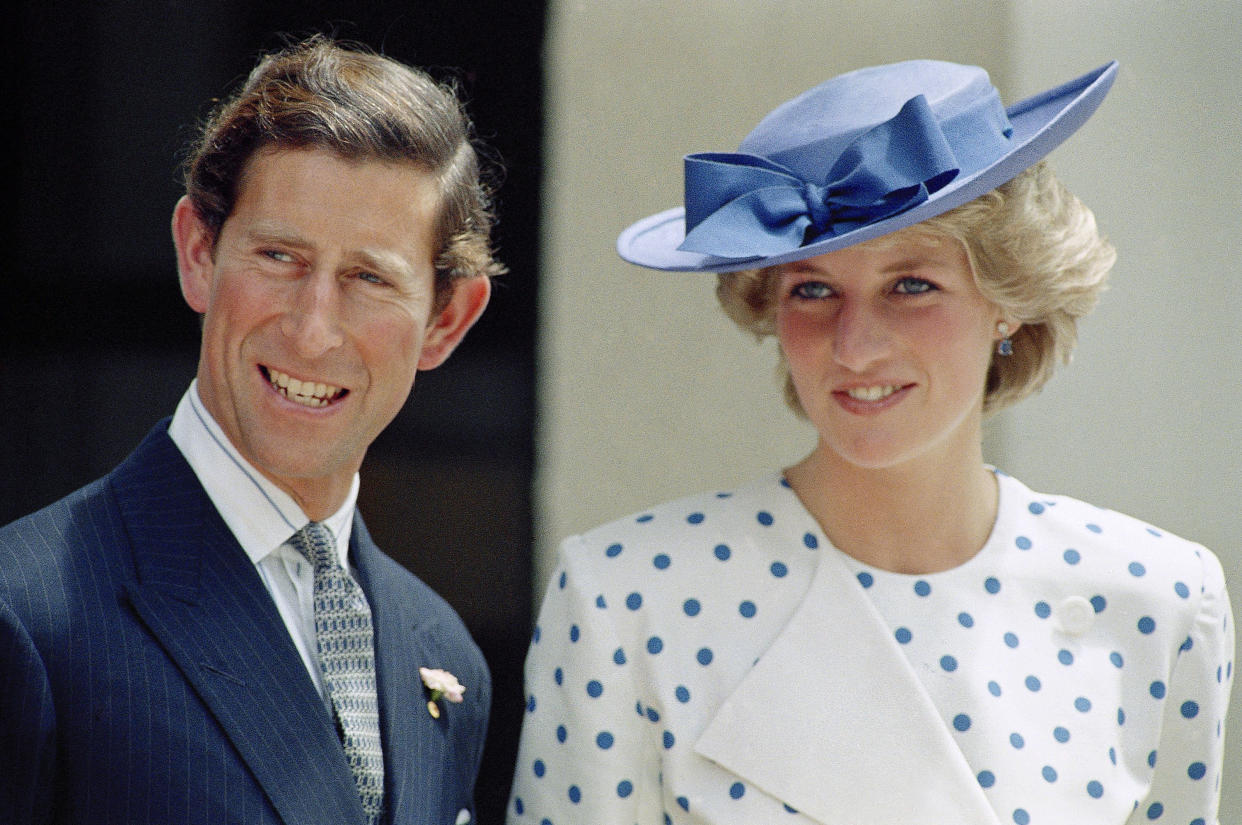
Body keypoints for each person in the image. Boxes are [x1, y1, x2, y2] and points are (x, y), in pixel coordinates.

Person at [508, 59, 1234, 825]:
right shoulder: (625, 597)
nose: (855, 347)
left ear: (1008, 303)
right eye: (813, 290)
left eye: (911, 284)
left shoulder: (1160, 597)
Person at [0, 36, 503, 825]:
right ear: (198, 253)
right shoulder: (25, 616)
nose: (311, 331)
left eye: (368, 277)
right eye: (279, 256)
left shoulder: (439, 649)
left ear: (447, 319)